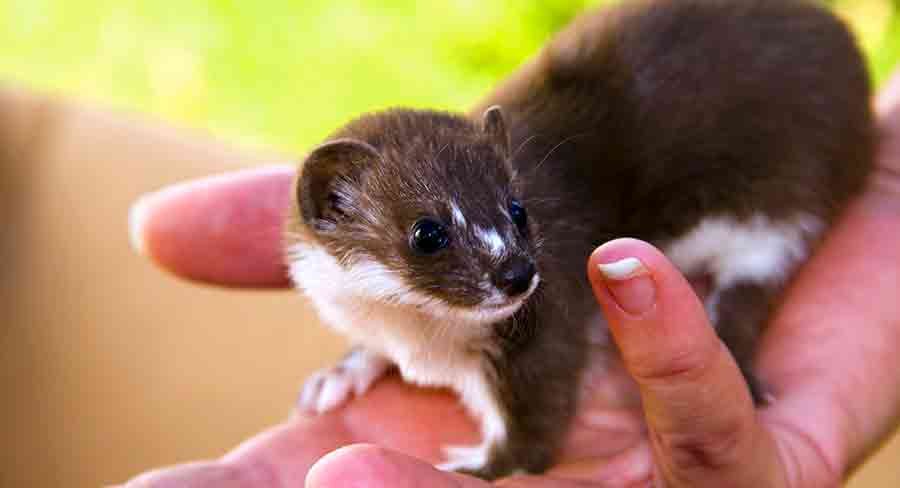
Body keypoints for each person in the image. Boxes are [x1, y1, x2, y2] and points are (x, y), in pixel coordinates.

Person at [121, 69, 900, 487]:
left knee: (733, 265)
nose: (517, 267)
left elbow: (533, 388)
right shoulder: (356, 258)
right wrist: (373, 353)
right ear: (332, 205)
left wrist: (510, 456)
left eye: (516, 219)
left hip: (776, 139)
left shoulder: (518, 306)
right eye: (431, 240)